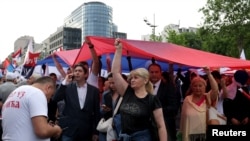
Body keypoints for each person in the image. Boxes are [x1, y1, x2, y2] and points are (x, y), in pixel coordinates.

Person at [111, 38, 167, 141]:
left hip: (142, 138)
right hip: (124, 137)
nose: (132, 80)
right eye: (131, 78)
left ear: (145, 80)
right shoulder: (127, 92)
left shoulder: (152, 99)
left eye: (136, 78)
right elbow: (115, 72)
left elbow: (161, 126)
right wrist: (118, 51)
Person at [2, 76, 62, 141]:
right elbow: (42, 131)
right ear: (48, 88)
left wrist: (47, 125)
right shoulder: (37, 93)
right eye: (52, 95)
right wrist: (57, 129)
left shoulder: (16, 92)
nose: (49, 100)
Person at [53, 63, 100, 141]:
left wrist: (96, 132)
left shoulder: (94, 91)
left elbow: (96, 112)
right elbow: (55, 98)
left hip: (86, 131)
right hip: (69, 130)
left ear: (85, 74)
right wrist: (65, 82)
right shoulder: (67, 87)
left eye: (80, 71)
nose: (77, 73)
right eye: (75, 71)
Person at [179, 67, 218, 141]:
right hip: (189, 134)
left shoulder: (208, 97)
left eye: (200, 86)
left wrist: (209, 74)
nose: (198, 88)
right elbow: (183, 119)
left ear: (205, 87)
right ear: (192, 88)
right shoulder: (187, 100)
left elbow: (215, 89)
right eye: (195, 86)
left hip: (203, 134)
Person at [148, 63, 179, 141]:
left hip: (166, 126)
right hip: (148, 128)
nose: (154, 74)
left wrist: (156, 112)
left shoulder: (169, 87)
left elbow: (174, 107)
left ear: (160, 73)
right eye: (151, 72)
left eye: (156, 72)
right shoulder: (144, 88)